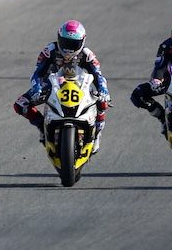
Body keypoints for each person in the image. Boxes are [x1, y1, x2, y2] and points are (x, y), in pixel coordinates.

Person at [14, 20, 110, 152]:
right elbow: (37, 73)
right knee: (20, 104)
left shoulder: (87, 54)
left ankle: (97, 133)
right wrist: (36, 86)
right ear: (59, 38)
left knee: (102, 102)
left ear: (82, 42)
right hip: (50, 85)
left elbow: (98, 76)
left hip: (80, 86)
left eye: (73, 44)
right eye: (66, 43)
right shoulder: (50, 50)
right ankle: (42, 127)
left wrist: (103, 90)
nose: (69, 49)